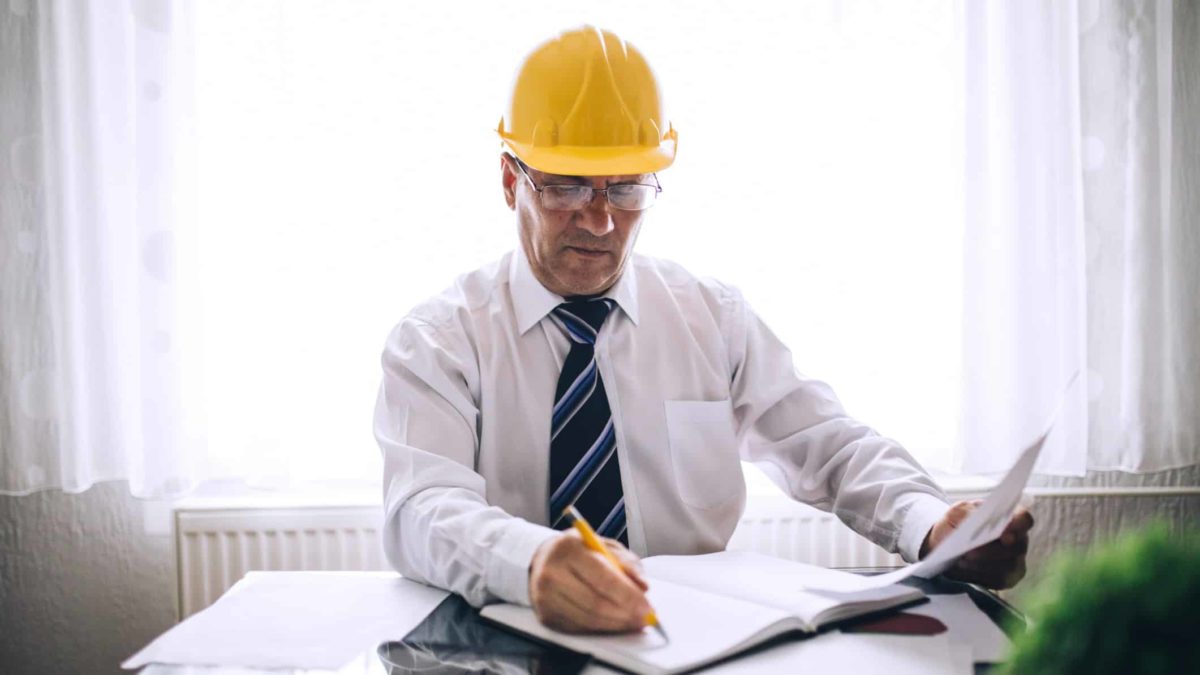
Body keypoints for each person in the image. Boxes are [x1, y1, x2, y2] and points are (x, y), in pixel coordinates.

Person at [374, 25, 1033, 635]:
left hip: (690, 644)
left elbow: (826, 443)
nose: (601, 221)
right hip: (502, 642)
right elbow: (421, 507)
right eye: (570, 187)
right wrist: (530, 560)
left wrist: (930, 526)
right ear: (510, 179)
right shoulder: (438, 341)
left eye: (626, 187)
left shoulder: (711, 318)